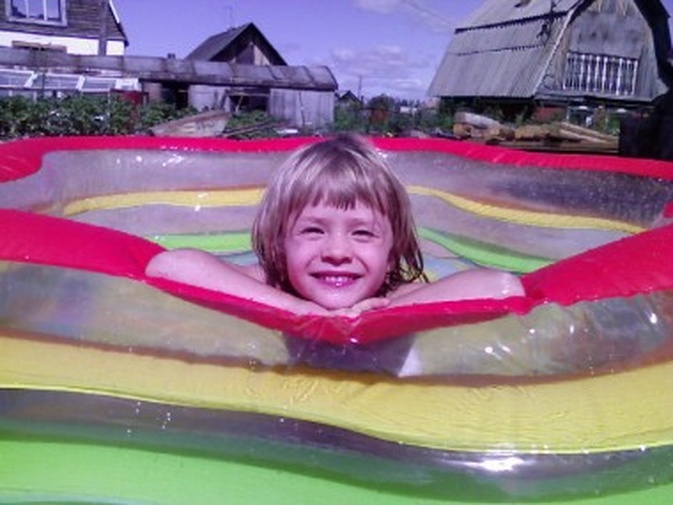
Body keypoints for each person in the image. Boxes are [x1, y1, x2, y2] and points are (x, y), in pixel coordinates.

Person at [145, 134, 524, 317]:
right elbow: (169, 265)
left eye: (362, 233)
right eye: (312, 230)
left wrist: (375, 317)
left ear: (393, 252)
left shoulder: (395, 296)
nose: (337, 252)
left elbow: (501, 286)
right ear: (279, 243)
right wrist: (300, 311)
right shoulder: (272, 283)